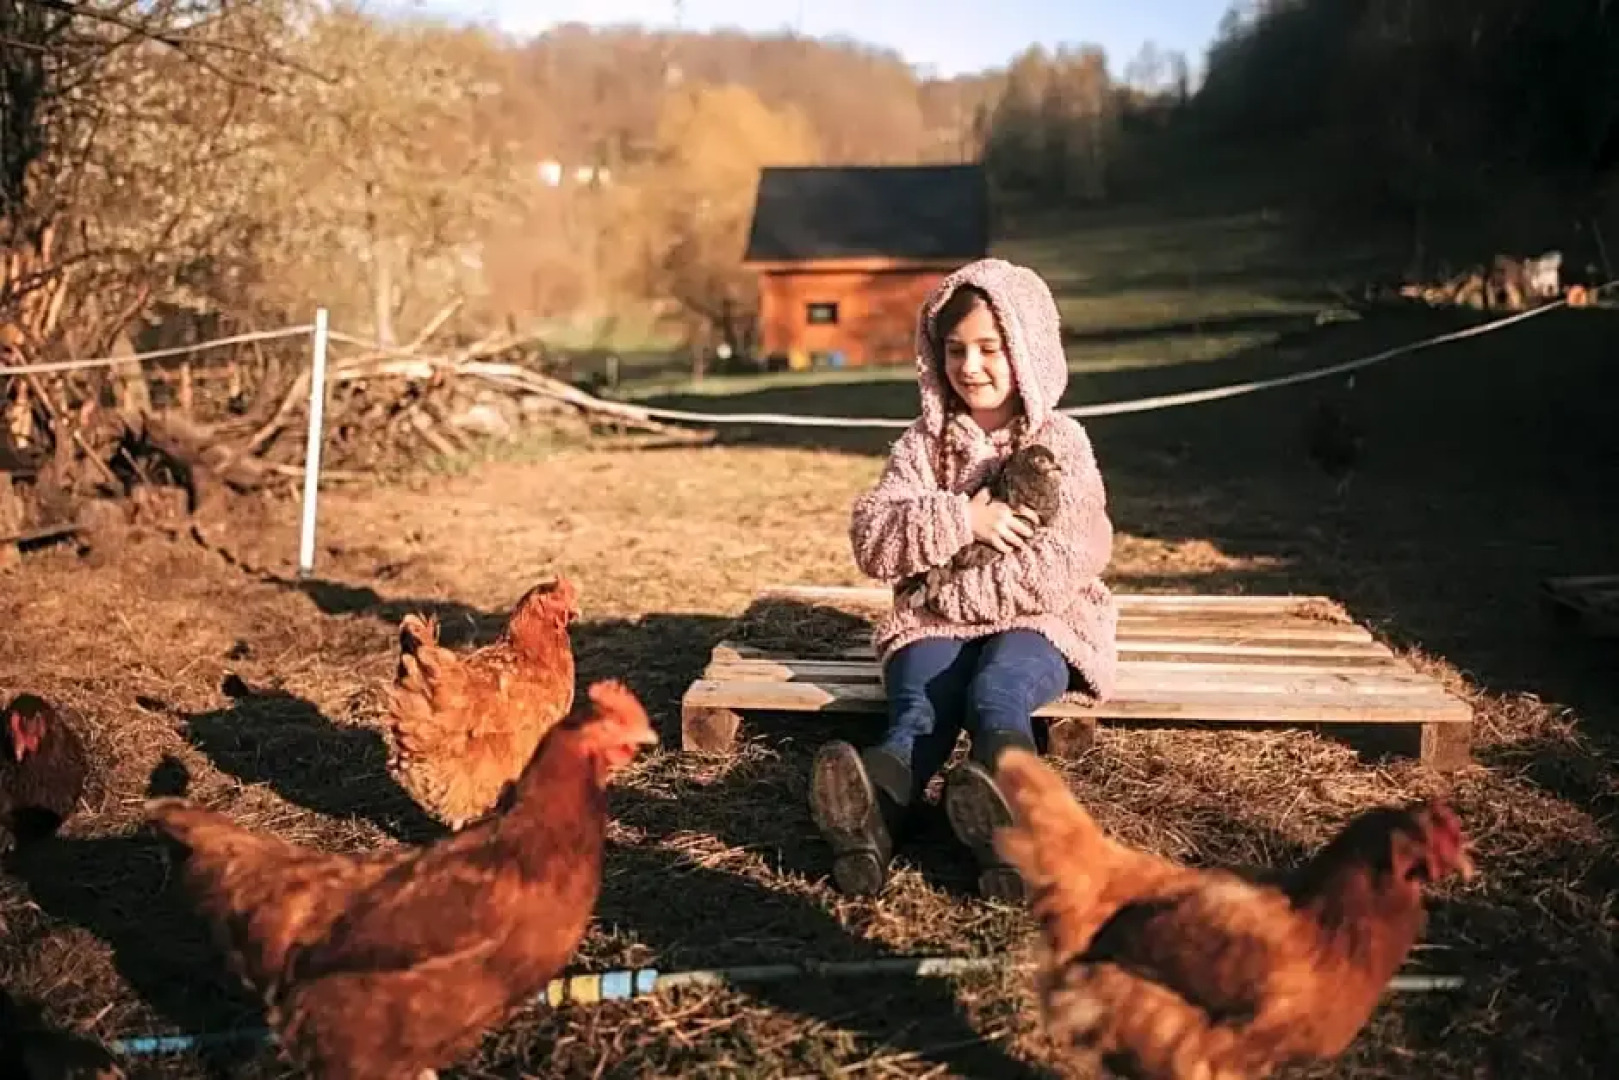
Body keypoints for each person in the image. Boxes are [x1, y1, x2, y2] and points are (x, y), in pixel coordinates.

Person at [807, 257, 1118, 902]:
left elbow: (1068, 556)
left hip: (1039, 621)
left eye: (989, 348)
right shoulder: (923, 447)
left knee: (997, 693)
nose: (970, 366)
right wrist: (960, 518)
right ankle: (869, 822)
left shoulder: (1062, 443)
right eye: (954, 350)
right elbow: (872, 535)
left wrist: (954, 594)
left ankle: (1007, 821)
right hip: (933, 624)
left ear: (1027, 349)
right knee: (919, 708)